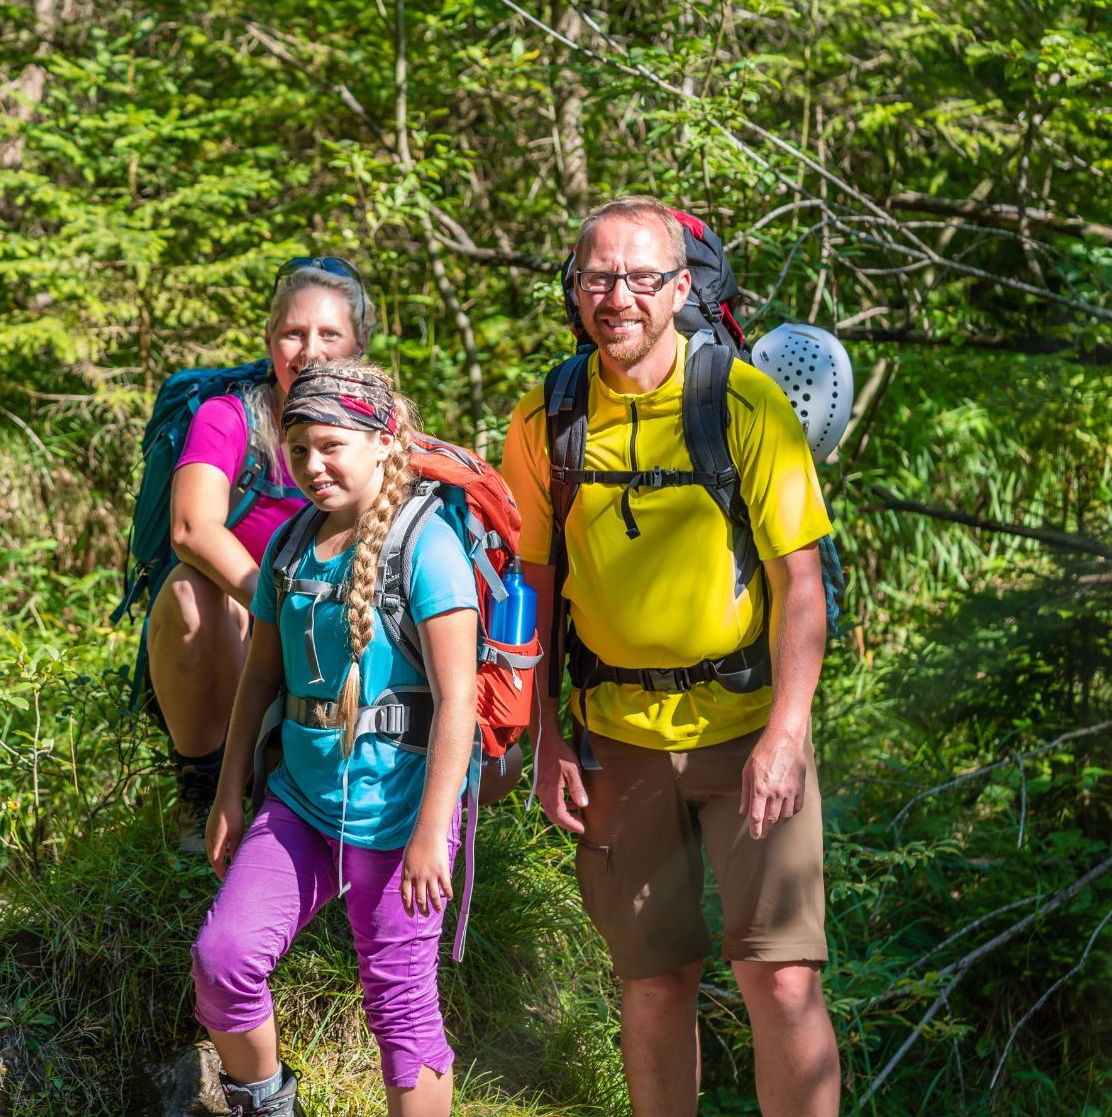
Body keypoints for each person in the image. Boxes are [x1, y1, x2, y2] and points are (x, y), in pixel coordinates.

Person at [500, 197, 842, 1116]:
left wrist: (788, 731)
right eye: (597, 278)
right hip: (616, 740)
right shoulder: (546, 417)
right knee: (653, 982)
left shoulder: (742, 401)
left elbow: (799, 585)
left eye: (640, 277)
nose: (618, 296)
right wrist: (545, 741)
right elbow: (532, 593)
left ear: (679, 287)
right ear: (574, 293)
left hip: (746, 734)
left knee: (783, 980)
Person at [191, 360, 476, 1117]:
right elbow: (259, 680)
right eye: (300, 449)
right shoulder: (289, 547)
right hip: (303, 802)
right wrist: (229, 794)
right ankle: (266, 1105)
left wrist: (428, 836)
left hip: (402, 809)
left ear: (385, 441)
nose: (313, 466)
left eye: (332, 446)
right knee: (223, 960)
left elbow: (457, 702)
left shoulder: (428, 546)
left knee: (400, 1009)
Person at [151, 258, 375, 852]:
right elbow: (191, 528)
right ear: (270, 340)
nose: (310, 350)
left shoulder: (381, 426)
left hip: (348, 629)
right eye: (293, 334)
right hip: (239, 630)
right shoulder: (229, 419)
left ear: (359, 343)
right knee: (189, 589)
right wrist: (282, 606)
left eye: (330, 334)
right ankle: (202, 783)